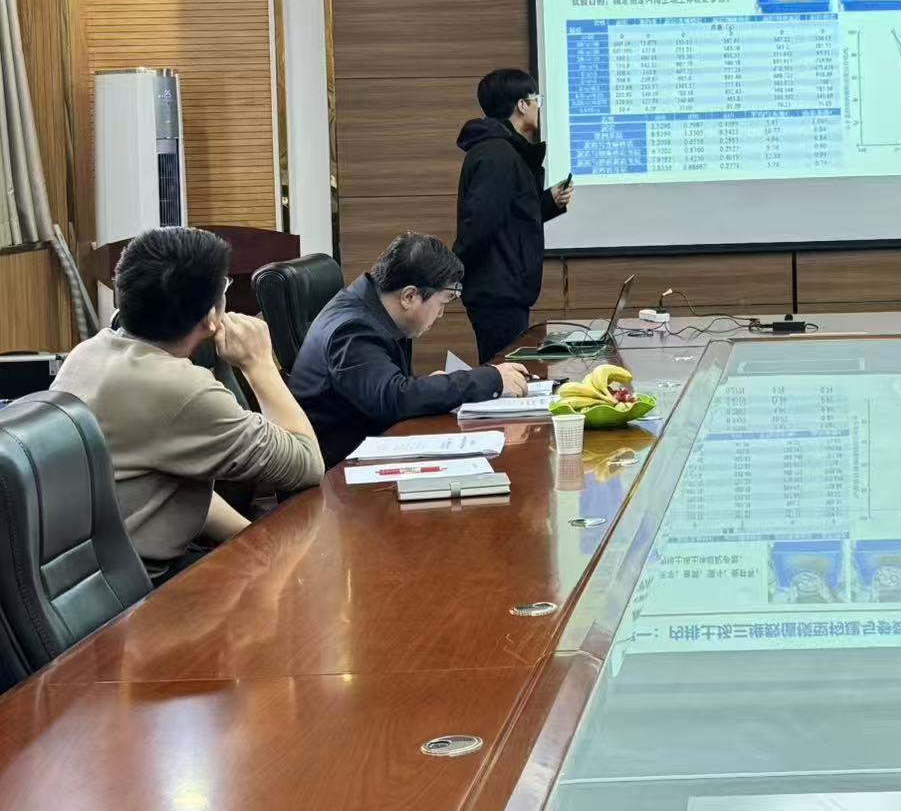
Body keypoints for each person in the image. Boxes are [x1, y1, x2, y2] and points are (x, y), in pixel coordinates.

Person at [51, 227, 324, 582]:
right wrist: (259, 364)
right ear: (211, 316)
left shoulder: (89, 351)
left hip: (93, 572)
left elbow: (168, 486)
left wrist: (256, 541)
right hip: (140, 585)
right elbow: (307, 464)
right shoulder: (178, 388)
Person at [290, 233, 531, 465]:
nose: (440, 314)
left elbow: (391, 388)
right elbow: (393, 399)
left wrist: (430, 387)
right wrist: (489, 379)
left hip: (368, 444)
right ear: (410, 296)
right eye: (441, 303)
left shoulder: (375, 310)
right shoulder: (353, 330)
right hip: (338, 473)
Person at [455, 69, 572, 363]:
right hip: (496, 292)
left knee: (509, 371)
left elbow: (510, 217)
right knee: (504, 374)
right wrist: (451, 270)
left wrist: (549, 202)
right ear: (522, 105)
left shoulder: (505, 151)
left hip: (504, 288)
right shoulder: (498, 154)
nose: (538, 107)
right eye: (536, 100)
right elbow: (481, 225)